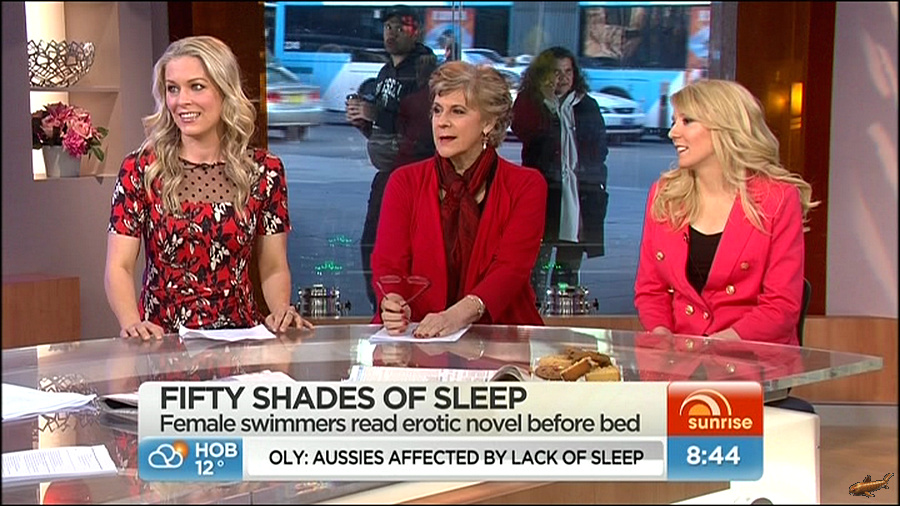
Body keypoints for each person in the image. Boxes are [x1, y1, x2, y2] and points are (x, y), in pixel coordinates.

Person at [104, 35, 314, 340]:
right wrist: (131, 323)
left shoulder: (264, 171)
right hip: (164, 343)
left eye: (197, 86)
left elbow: (273, 266)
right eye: (173, 89)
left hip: (241, 340)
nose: (181, 101)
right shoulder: (141, 169)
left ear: (225, 91)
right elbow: (119, 267)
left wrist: (281, 309)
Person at [634, 79, 818, 346]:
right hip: (680, 359)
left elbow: (781, 306)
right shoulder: (665, 195)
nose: (673, 133)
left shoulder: (777, 199)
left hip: (752, 358)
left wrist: (714, 347)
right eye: (674, 122)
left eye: (687, 121)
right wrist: (662, 336)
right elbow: (651, 290)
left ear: (725, 127)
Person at [371, 61, 548, 338]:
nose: (442, 122)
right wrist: (392, 301)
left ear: (488, 123)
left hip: (500, 336)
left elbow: (511, 269)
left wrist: (456, 316)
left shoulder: (526, 186)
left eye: (458, 111)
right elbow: (389, 263)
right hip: (416, 334)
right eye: (437, 110)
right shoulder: (404, 182)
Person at [345, 5, 438, 312]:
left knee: (402, 248)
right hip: (387, 173)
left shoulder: (424, 73)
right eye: (388, 27)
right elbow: (388, 132)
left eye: (400, 27)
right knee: (374, 245)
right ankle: (382, 307)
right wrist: (365, 123)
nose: (392, 34)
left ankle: (400, 308)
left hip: (415, 175)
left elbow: (421, 131)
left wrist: (376, 114)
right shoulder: (385, 72)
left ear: (416, 32)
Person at [512, 46, 609, 302]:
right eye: (556, 72)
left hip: (579, 195)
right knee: (538, 264)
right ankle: (535, 309)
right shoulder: (530, 103)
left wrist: (591, 175)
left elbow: (600, 147)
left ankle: (564, 309)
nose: (563, 78)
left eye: (568, 71)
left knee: (568, 266)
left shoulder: (586, 105)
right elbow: (524, 131)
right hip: (546, 194)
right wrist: (548, 104)